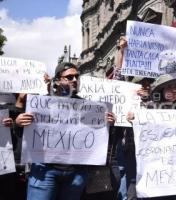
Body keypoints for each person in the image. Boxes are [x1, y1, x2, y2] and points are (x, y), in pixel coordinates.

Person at [16, 62, 115, 200]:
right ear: (58, 80)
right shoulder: (42, 103)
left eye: (76, 77)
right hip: (45, 171)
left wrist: (108, 125)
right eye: (69, 77)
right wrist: (19, 123)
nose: (75, 80)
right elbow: (25, 135)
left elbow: (100, 139)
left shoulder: (89, 107)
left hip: (76, 174)